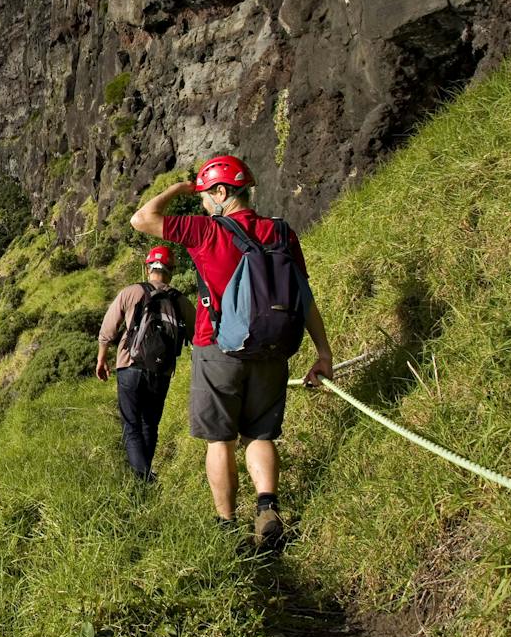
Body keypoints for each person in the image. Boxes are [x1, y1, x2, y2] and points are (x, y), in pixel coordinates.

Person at [129, 156, 333, 548]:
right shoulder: (282, 233)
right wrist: (323, 352)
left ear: (222, 193)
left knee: (220, 440)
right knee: (260, 433)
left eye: (207, 195)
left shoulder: (207, 231)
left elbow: (143, 218)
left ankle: (227, 526)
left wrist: (182, 188)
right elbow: (303, 298)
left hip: (218, 347)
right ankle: (267, 509)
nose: (204, 202)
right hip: (274, 349)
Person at [95, 245, 192, 483]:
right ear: (171, 270)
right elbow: (200, 334)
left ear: (148, 267)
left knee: (131, 425)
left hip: (130, 366)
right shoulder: (180, 300)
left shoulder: (131, 292)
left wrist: (101, 358)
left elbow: (108, 330)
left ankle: (144, 479)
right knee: (150, 425)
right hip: (162, 371)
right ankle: (145, 477)